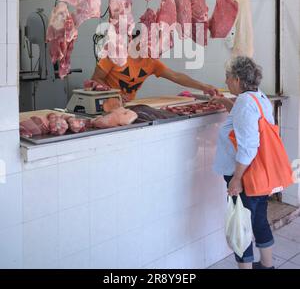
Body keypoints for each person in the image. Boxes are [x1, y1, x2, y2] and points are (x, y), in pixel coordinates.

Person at [212, 56, 275, 270]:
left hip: (245, 174)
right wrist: (223, 101)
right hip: (261, 173)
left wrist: (237, 179)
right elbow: (244, 120)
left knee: (241, 226)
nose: (227, 82)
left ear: (238, 79)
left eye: (228, 78)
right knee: (258, 220)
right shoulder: (258, 97)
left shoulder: (245, 103)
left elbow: (248, 146)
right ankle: (267, 266)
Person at [91, 32, 219, 102]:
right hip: (104, 105)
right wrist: (115, 94)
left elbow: (176, 76)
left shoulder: (151, 62)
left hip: (128, 105)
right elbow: (96, 79)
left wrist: (204, 86)